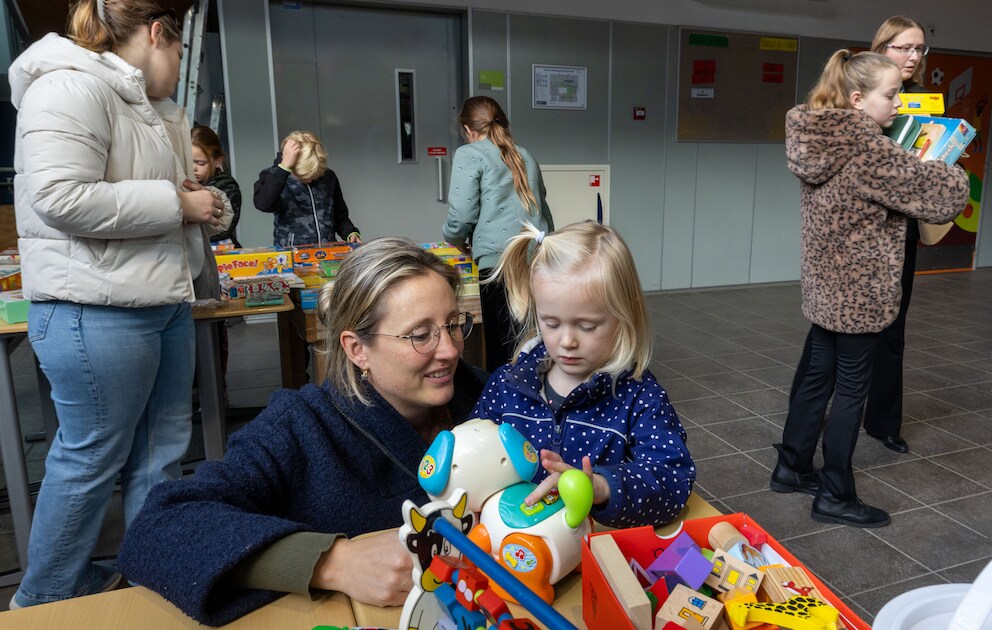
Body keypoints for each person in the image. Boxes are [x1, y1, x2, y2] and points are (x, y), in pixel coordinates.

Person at [118, 238, 486, 625]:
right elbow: (157, 528)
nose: (449, 350)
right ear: (357, 349)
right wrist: (333, 562)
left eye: (452, 325)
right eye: (420, 335)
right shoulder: (301, 427)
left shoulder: (483, 395)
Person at [7, 0, 227, 608]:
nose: (181, 63)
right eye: (180, 48)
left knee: (161, 451)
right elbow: (59, 196)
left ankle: (150, 573)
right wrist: (178, 204)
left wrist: (200, 204)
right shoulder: (70, 86)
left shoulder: (149, 107)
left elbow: (170, 194)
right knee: (92, 458)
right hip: (94, 308)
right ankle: (44, 599)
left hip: (160, 298)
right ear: (157, 34)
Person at [770, 50, 969, 528]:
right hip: (861, 295)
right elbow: (943, 198)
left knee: (817, 378)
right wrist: (952, 166)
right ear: (858, 99)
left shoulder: (816, 136)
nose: (899, 104)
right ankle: (835, 492)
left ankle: (791, 467)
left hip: (824, 288)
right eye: (891, 95)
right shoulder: (870, 151)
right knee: (851, 391)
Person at [469, 222, 694, 529]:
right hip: (508, 543)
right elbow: (472, 452)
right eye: (551, 323)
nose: (567, 341)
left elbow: (672, 480)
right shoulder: (506, 385)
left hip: (594, 547)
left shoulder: (641, 397)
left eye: (587, 326)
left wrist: (600, 486)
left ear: (626, 313)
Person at [861, 15, 933, 454]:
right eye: (903, 47)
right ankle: (808, 411)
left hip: (902, 229)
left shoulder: (926, 102)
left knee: (893, 329)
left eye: (918, 48)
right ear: (881, 47)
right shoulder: (859, 92)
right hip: (858, 229)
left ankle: (883, 422)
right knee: (832, 330)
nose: (912, 56)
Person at [442, 96, 554, 372]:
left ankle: (504, 396)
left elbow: (462, 215)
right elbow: (544, 208)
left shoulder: (470, 154)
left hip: (498, 260)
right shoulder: (524, 154)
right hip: (535, 257)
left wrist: (454, 240)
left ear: (468, 130)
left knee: (501, 347)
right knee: (531, 337)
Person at [254, 130, 362, 248]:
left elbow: (340, 215)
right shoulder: (273, 176)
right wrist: (283, 168)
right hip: (291, 253)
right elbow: (263, 204)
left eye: (315, 176)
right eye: (304, 177)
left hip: (327, 252)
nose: (310, 180)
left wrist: (350, 232)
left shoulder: (329, 177)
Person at [192, 124, 242, 247]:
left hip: (219, 249)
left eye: (200, 163)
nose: (194, 168)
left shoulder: (227, 187)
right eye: (188, 161)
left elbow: (224, 228)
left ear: (217, 161)